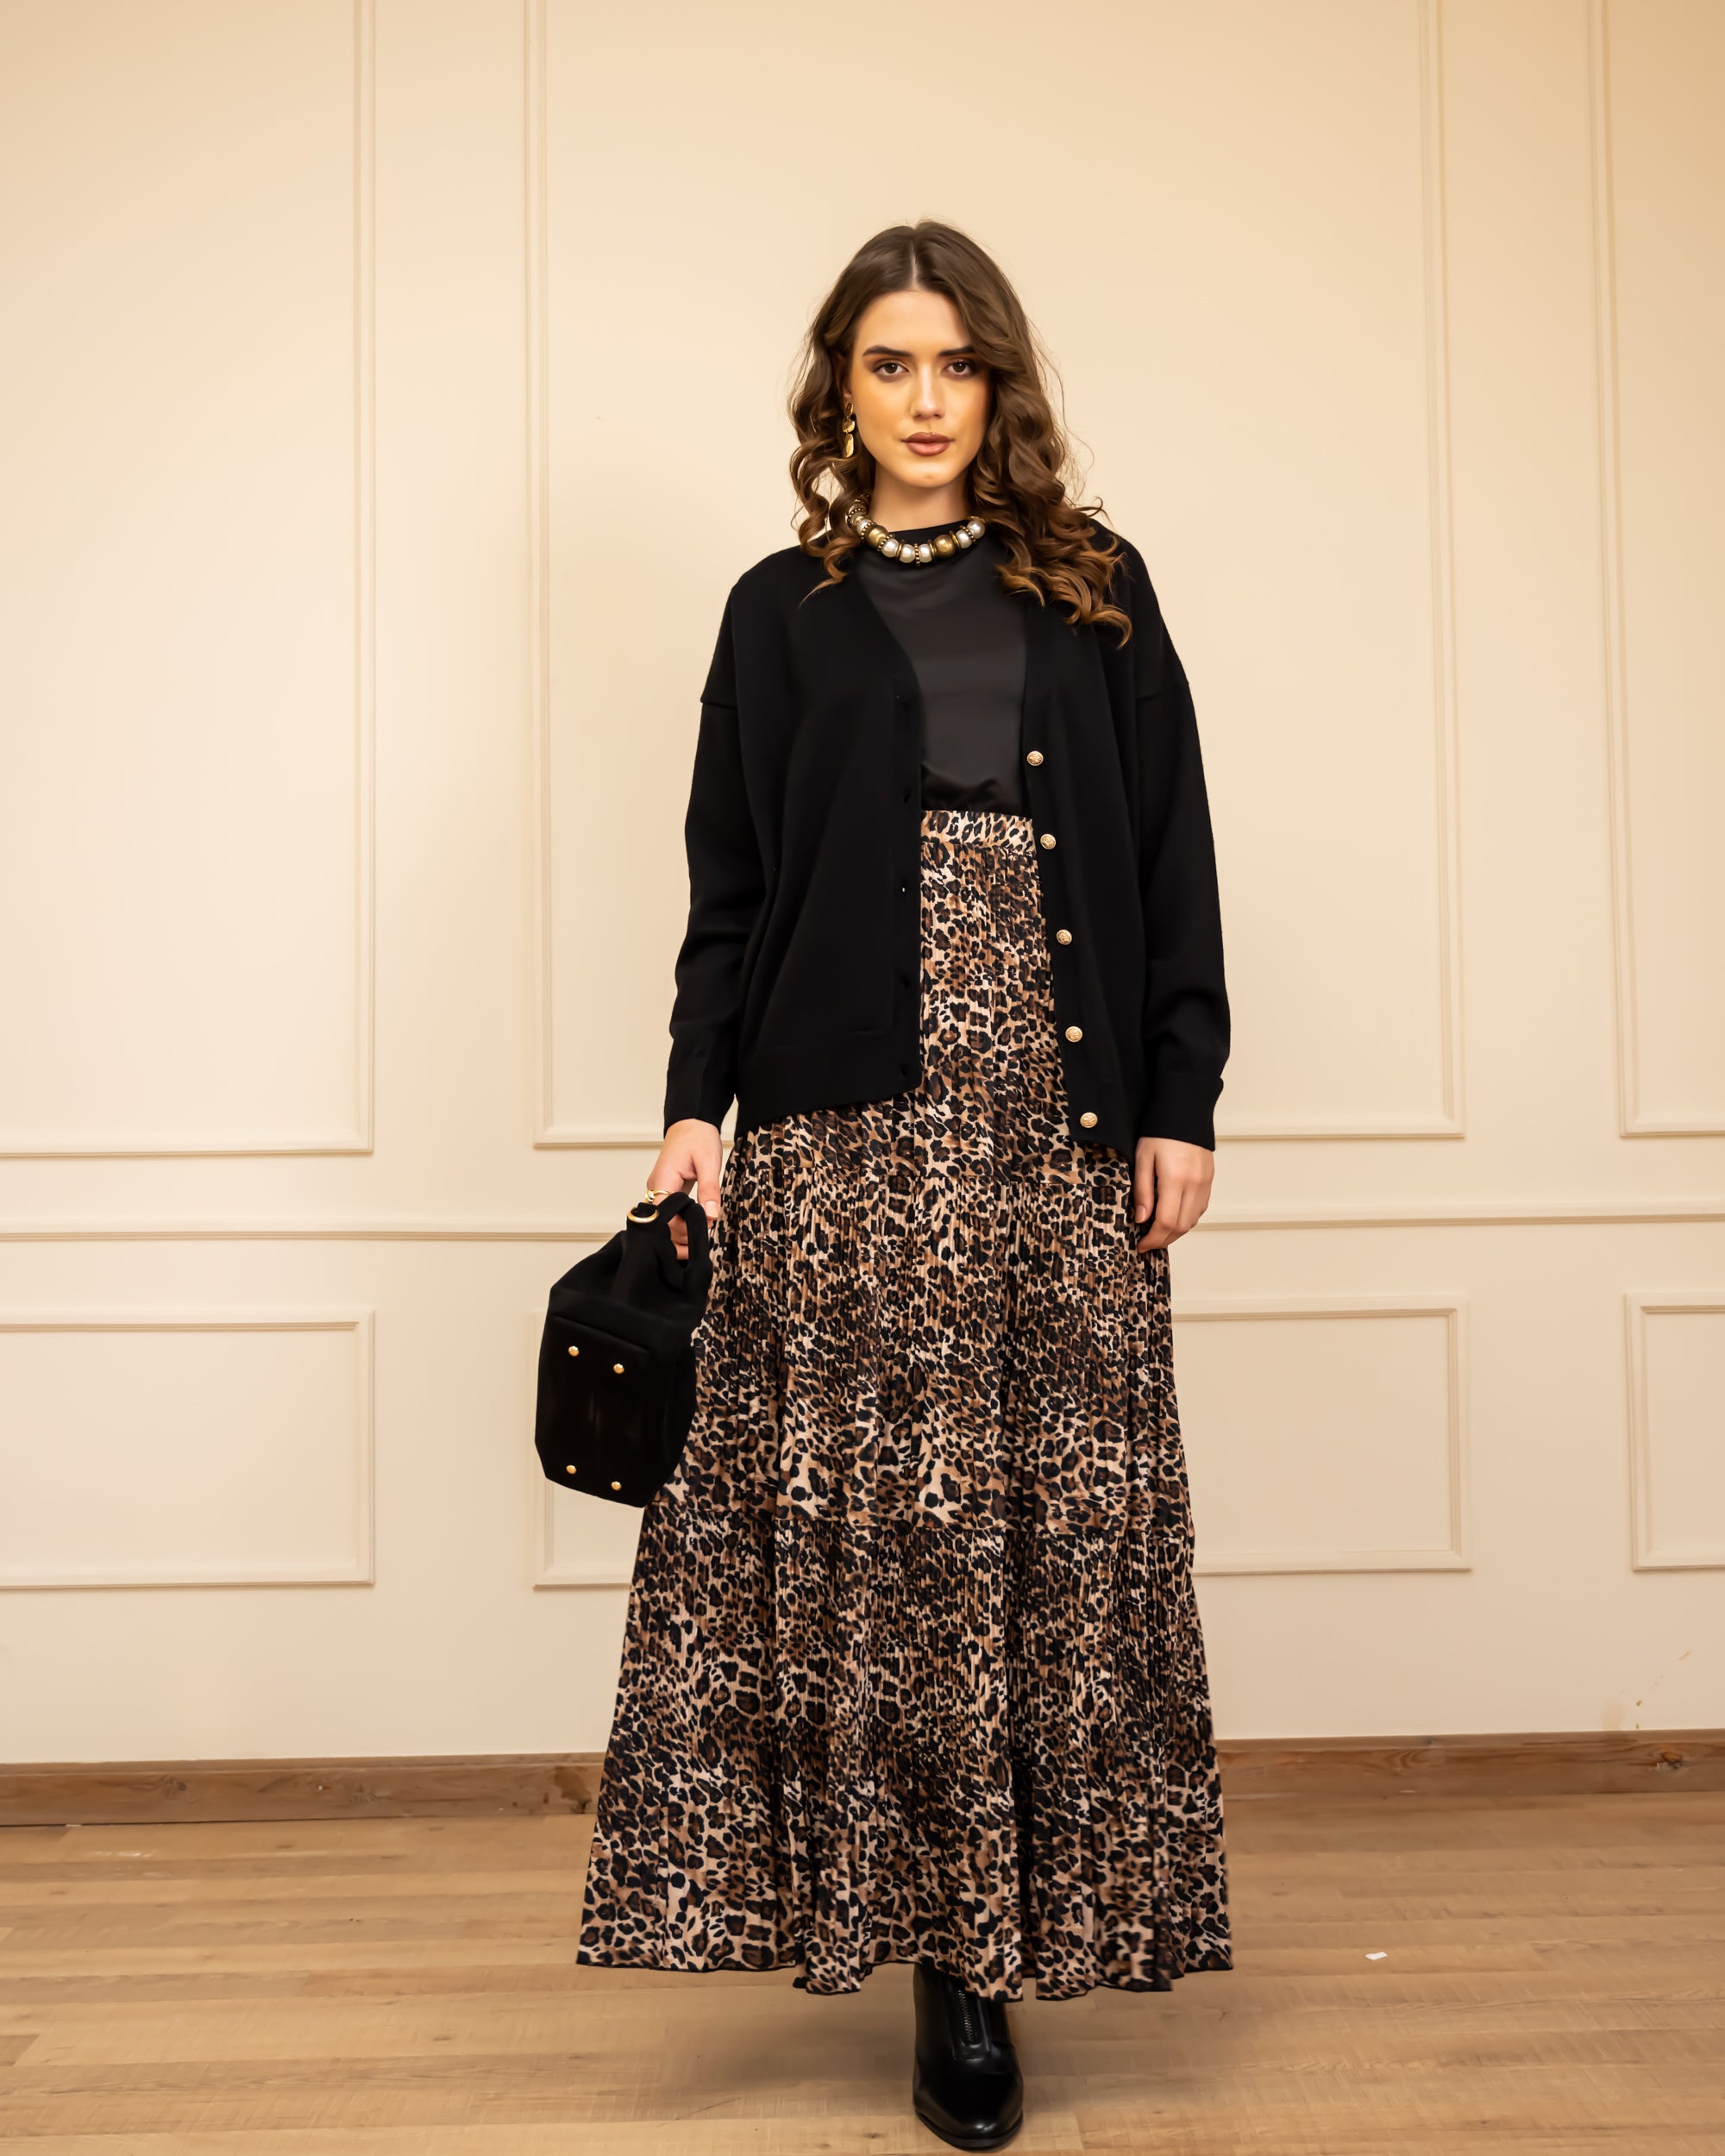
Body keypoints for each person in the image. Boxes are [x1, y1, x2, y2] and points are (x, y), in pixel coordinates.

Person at [575, 218, 1233, 2153]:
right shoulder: (776, 610)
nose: (926, 398)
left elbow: (1174, 851)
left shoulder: (1095, 586)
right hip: (839, 1126)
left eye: (956, 364)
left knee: (1040, 1526)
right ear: (841, 389)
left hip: (1058, 1107)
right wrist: (695, 1108)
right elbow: (728, 892)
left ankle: (1006, 1945)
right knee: (889, 1540)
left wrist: (1180, 1094)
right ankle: (921, 1941)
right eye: (890, 363)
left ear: (996, 383)